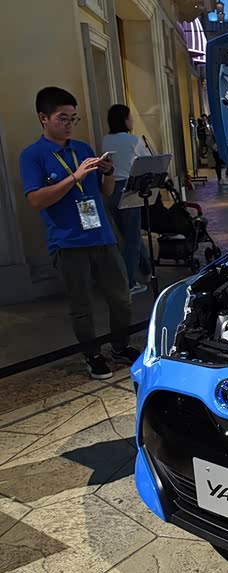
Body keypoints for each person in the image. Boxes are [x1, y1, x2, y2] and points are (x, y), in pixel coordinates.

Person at [19, 87, 139, 380]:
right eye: (63, 118)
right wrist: (74, 177)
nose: (70, 124)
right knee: (81, 305)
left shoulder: (82, 149)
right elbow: (36, 200)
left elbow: (105, 191)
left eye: (74, 118)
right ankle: (92, 354)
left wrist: (107, 172)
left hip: (102, 235)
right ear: (43, 118)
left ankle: (120, 346)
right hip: (68, 241)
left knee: (121, 297)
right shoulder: (32, 155)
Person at [102, 104, 151, 294]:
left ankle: (146, 268)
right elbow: (147, 160)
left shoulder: (106, 140)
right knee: (132, 240)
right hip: (129, 188)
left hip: (110, 188)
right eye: (130, 117)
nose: (132, 121)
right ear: (124, 120)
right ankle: (128, 283)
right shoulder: (133, 140)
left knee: (129, 235)